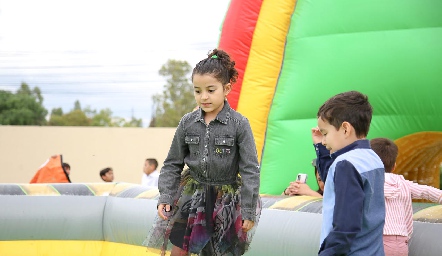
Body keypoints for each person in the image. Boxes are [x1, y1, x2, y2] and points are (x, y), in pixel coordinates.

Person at [145, 49, 261, 256]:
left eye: (210, 90)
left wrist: (248, 210)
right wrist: (166, 196)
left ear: (226, 89)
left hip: (225, 201)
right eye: (198, 91)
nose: (204, 97)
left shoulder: (239, 124)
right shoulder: (187, 123)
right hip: (191, 198)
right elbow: (172, 164)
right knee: (178, 251)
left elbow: (251, 170)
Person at [316, 91, 385, 255]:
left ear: (345, 129)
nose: (323, 141)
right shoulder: (373, 158)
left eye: (325, 133)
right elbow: (331, 181)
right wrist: (321, 149)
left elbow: (346, 226)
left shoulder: (346, 165)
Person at [370, 138, 442, 256]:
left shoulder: (367, 183)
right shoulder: (403, 184)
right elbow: (427, 191)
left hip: (374, 240)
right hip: (399, 244)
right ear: (394, 166)